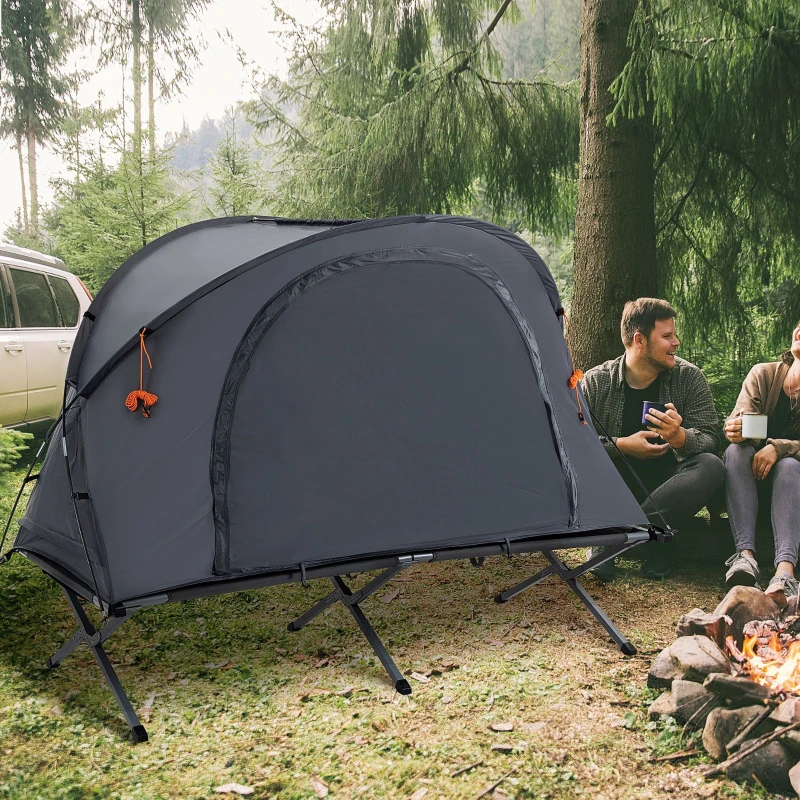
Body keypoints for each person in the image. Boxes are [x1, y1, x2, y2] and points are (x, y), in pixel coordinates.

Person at [581, 298, 725, 581]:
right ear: (639, 340)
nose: (677, 343)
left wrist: (680, 437)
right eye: (667, 336)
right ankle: (656, 540)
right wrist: (622, 445)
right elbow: (572, 443)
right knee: (595, 464)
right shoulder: (597, 382)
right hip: (614, 489)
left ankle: (614, 539)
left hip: (668, 493)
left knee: (711, 466)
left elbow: (711, 439)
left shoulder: (689, 378)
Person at [721, 321, 800, 605]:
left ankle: (785, 573)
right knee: (735, 452)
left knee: (790, 466)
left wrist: (779, 448)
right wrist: (737, 430)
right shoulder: (763, 374)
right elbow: (742, 422)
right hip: (750, 482)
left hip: (794, 491)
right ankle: (745, 557)